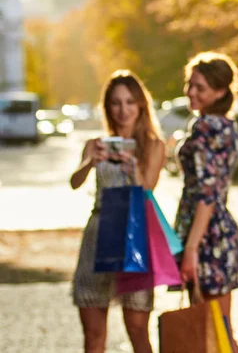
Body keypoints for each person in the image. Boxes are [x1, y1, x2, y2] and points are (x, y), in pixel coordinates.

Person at [70, 70, 165, 353]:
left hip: (134, 238)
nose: (123, 110)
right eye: (116, 103)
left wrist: (133, 166)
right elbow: (74, 183)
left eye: (129, 102)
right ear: (108, 107)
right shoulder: (95, 144)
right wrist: (90, 161)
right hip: (98, 234)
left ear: (140, 105)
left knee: (138, 329)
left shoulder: (153, 145)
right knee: (93, 333)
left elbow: (147, 191)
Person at [175, 51, 238, 353]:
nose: (191, 92)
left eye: (200, 87)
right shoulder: (226, 126)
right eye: (190, 84)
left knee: (211, 332)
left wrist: (191, 249)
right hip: (219, 232)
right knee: (220, 330)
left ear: (219, 92)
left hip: (205, 237)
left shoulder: (204, 127)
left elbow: (207, 193)